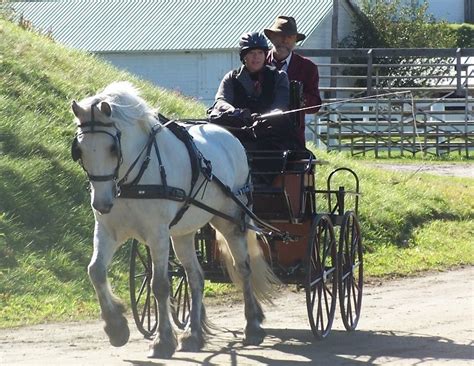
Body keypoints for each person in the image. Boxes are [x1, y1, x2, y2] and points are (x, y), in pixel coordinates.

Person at [209, 32, 300, 151]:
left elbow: (280, 105)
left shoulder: (279, 77)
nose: (256, 57)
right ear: (244, 57)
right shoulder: (231, 78)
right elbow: (221, 101)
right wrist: (235, 112)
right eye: (251, 53)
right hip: (238, 134)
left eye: (260, 53)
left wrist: (266, 117)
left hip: (272, 134)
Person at [264, 16, 322, 148]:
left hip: (293, 136)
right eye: (280, 35)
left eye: (289, 37)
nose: (284, 40)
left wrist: (298, 97)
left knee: (302, 167)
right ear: (272, 37)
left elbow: (316, 105)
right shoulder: (258, 62)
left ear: (295, 40)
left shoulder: (308, 68)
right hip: (260, 133)